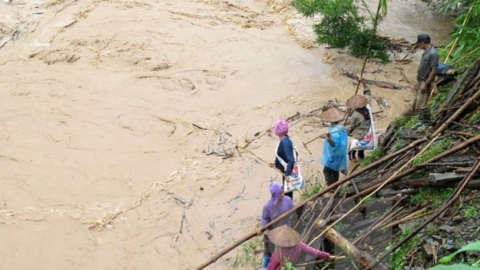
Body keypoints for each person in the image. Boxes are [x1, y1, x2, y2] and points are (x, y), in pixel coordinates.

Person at [266, 225, 336, 270]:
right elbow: (314, 252)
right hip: (292, 267)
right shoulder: (300, 245)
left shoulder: (278, 252)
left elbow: (271, 267)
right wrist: (327, 256)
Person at [260, 182, 296, 270]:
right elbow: (264, 221)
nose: (283, 195)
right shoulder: (267, 206)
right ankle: (265, 267)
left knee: (284, 252)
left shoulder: (287, 200)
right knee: (268, 253)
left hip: (285, 231)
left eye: (283, 192)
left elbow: (295, 207)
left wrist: (307, 204)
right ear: (275, 194)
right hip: (272, 232)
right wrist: (262, 229)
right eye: (280, 193)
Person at [347, 78, 373, 162]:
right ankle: (361, 158)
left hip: (359, 135)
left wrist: (346, 132)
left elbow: (351, 127)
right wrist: (363, 83)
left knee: (352, 149)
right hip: (368, 133)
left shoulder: (355, 115)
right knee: (361, 149)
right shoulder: (368, 105)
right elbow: (368, 92)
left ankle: (353, 160)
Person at [320, 108, 348, 185]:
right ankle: (336, 184)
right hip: (340, 153)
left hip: (334, 154)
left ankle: (330, 187)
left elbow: (334, 144)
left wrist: (328, 138)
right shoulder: (341, 127)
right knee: (335, 169)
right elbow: (339, 139)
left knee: (326, 171)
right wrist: (326, 137)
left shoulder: (334, 131)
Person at [414, 33, 439, 110]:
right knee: (417, 99)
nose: (419, 46)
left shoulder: (433, 54)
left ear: (422, 43)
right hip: (420, 80)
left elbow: (434, 70)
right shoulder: (426, 51)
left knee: (420, 104)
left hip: (424, 82)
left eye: (419, 44)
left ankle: (417, 118)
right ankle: (414, 111)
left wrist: (425, 84)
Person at [272, 119, 295, 200]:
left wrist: (287, 174)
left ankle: (289, 208)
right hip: (285, 170)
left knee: (288, 192)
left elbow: (291, 160)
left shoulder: (285, 143)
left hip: (287, 172)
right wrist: (275, 163)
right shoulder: (283, 141)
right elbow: (282, 156)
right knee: (287, 190)